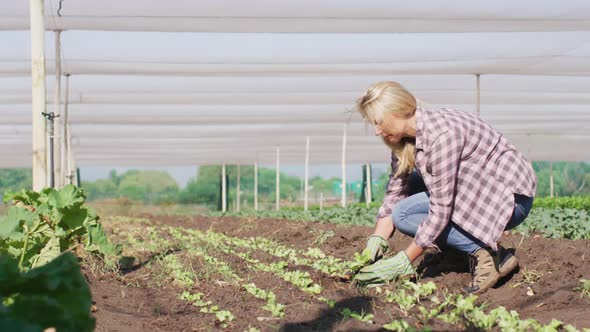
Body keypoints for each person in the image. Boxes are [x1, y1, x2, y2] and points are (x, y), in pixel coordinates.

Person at [352, 81, 536, 294]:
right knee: (409, 185)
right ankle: (461, 247)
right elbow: (396, 190)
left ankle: (491, 255)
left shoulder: (441, 135)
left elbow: (440, 209)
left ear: (399, 111)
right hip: (481, 190)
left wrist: (404, 260)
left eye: (378, 122)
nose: (377, 131)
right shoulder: (406, 140)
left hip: (508, 199)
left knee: (403, 215)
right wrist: (376, 242)